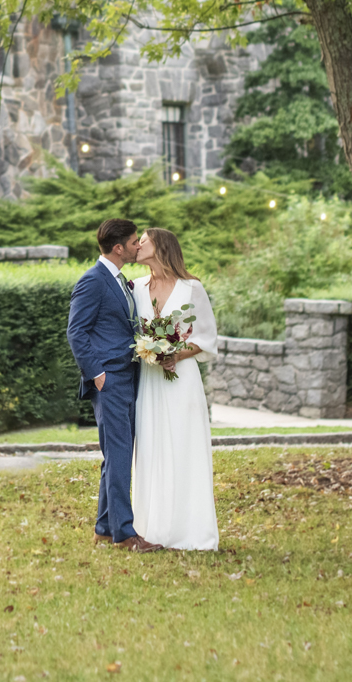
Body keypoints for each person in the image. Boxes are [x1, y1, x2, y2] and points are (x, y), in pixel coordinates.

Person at [66, 218, 162, 552]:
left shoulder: (121, 281)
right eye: (135, 242)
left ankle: (105, 528)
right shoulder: (92, 281)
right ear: (119, 248)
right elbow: (76, 331)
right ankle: (125, 534)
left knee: (116, 455)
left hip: (127, 375)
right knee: (120, 454)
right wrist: (97, 373)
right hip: (109, 379)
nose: (139, 246)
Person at [129, 226, 220, 551]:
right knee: (151, 447)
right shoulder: (135, 287)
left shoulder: (191, 288)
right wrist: (150, 351)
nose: (137, 245)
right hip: (149, 381)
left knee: (184, 447)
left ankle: (191, 531)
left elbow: (207, 337)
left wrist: (176, 353)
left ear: (161, 246)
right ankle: (150, 529)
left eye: (143, 241)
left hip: (181, 379)